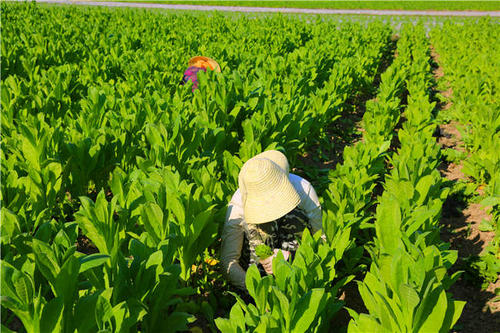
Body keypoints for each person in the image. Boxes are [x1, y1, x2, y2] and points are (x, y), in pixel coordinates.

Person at [221, 150, 322, 290]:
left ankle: (295, 282)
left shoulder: (304, 190)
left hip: (296, 260)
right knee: (253, 226)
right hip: (260, 270)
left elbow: (321, 240)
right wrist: (258, 290)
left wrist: (292, 256)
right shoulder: (238, 205)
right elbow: (229, 262)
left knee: (296, 215)